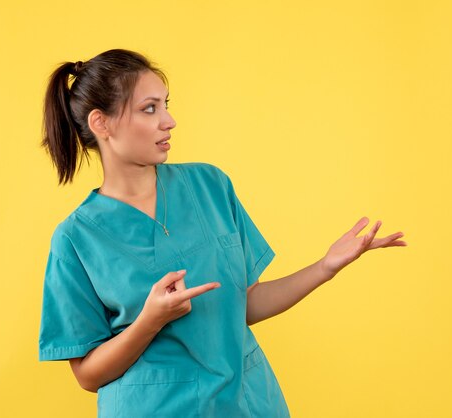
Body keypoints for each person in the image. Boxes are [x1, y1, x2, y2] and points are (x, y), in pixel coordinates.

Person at [38, 48, 407, 418]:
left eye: (166, 104)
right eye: (149, 108)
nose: (169, 120)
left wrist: (326, 266)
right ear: (102, 124)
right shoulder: (76, 239)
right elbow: (87, 374)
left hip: (248, 403)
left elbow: (243, 303)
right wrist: (150, 320)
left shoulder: (210, 186)